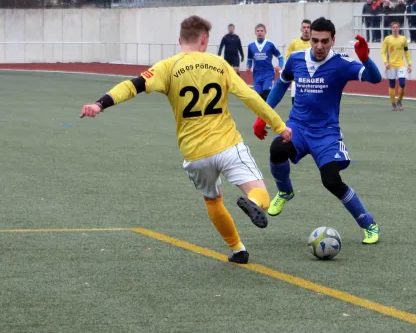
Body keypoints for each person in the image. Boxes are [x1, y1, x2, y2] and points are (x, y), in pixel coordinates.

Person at [79, 15, 292, 265]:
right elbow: (250, 97)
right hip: (227, 144)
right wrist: (278, 125)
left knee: (213, 199)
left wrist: (99, 104)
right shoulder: (219, 64)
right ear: (204, 39)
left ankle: (238, 249)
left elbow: (132, 86)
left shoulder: (167, 67)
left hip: (195, 154)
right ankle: (252, 203)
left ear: (180, 40)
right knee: (260, 193)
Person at [252, 18, 383, 244]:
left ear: (333, 40)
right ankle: (285, 191)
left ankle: (369, 224)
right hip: (298, 126)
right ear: (309, 38)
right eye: (315, 40)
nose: (319, 45)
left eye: (325, 41)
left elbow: (375, 78)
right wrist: (264, 116)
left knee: (332, 181)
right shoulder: (295, 60)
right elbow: (281, 84)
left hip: (326, 133)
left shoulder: (341, 63)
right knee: (277, 149)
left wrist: (365, 59)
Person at [246, 24, 284, 101]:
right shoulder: (251, 46)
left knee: (267, 95)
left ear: (265, 32)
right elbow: (249, 59)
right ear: (255, 32)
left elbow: (280, 57)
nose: (260, 32)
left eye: (261, 31)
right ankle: (260, 113)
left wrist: (280, 66)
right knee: (259, 99)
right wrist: (248, 66)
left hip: (268, 74)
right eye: (258, 31)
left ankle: (268, 112)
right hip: (257, 75)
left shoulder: (270, 44)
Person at [381, 22, 412, 111]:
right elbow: (383, 52)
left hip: (401, 65)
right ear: (391, 29)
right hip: (391, 66)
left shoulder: (403, 39)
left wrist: (409, 64)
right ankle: (393, 103)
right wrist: (385, 62)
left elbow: (406, 52)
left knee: (402, 84)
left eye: (396, 27)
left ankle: (399, 101)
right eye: (393, 27)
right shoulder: (387, 39)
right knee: (392, 85)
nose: (395, 29)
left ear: (399, 28)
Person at [285, 19, 312, 105]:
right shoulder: (294, 43)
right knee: (295, 104)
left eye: (308, 27)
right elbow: (288, 58)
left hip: (311, 80)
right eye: (304, 27)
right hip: (297, 79)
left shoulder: (314, 43)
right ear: (301, 29)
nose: (306, 29)